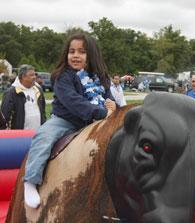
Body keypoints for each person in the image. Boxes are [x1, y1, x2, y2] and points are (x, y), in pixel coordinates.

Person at [23, 33, 116, 209]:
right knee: (43, 136)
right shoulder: (63, 76)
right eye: (71, 51)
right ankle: (30, 180)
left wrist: (112, 107)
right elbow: (74, 102)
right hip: (66, 120)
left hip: (95, 122)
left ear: (91, 55)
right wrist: (103, 112)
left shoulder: (101, 77)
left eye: (81, 52)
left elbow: (108, 98)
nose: (75, 55)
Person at [0, 64, 46, 130]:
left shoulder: (38, 90)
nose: (34, 77)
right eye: (31, 75)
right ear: (23, 77)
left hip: (38, 134)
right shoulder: (11, 93)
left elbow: (43, 112)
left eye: (35, 74)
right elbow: (5, 116)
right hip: (19, 136)